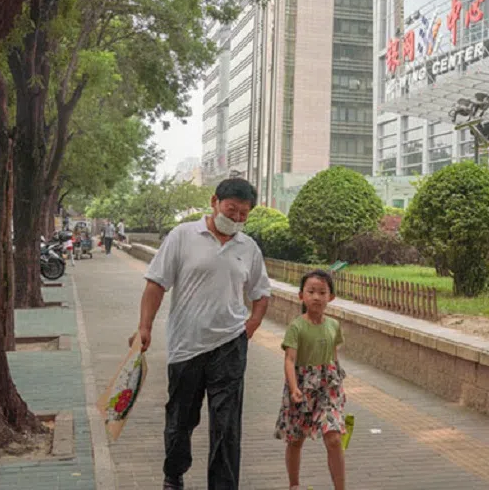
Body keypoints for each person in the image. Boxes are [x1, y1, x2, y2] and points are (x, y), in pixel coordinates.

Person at [134, 178, 271, 490]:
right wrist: (144, 326)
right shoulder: (183, 236)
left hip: (230, 346)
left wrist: (252, 325)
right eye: (231, 209)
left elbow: (261, 293)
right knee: (181, 420)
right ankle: (173, 475)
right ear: (214, 202)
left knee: (227, 426)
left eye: (243, 214)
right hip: (187, 346)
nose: (236, 218)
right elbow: (156, 284)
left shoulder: (248, 248)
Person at [274, 270, 347, 490]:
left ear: (331, 297)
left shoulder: (334, 326)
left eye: (322, 292)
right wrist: (294, 387)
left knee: (333, 437)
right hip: (302, 386)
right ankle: (294, 485)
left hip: (328, 387)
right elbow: (289, 359)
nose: (316, 297)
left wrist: (339, 386)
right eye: (311, 291)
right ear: (301, 296)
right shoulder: (297, 326)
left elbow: (334, 357)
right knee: (296, 439)